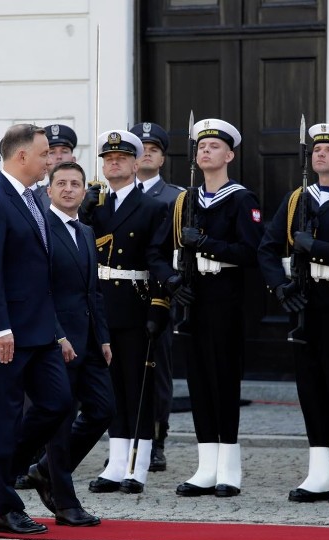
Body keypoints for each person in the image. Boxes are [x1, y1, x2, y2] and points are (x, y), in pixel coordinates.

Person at [258, 123, 329, 504]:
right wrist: (280, 286)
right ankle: (318, 470)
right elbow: (268, 248)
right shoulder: (296, 200)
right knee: (310, 387)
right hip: (304, 301)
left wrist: (316, 247)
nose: (320, 154)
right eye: (316, 150)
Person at [152, 118, 264, 497]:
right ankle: (206, 465)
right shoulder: (186, 200)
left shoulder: (241, 199)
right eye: (201, 146)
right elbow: (158, 251)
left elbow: (252, 253)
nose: (205, 151)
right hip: (193, 295)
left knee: (223, 380)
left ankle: (229, 467)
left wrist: (207, 243)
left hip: (226, 296)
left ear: (229, 154)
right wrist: (171, 280)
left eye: (214, 146)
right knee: (198, 380)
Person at [0, 123, 73, 535]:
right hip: (7, 331)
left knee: (58, 402)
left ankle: (3, 471)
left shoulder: (32, 198)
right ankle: (6, 509)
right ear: (21, 156)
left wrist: (57, 329)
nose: (53, 160)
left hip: (41, 329)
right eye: (46, 154)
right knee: (4, 417)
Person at [80, 129, 170, 495]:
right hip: (101, 305)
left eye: (121, 158)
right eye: (107, 159)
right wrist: (81, 217)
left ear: (136, 164)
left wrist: (159, 307)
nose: (113, 163)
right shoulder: (95, 207)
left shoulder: (154, 207)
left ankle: (138, 465)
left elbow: (158, 260)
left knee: (138, 388)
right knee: (110, 388)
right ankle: (116, 464)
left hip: (135, 302)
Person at [26, 161, 114, 527]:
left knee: (103, 410)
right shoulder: (42, 229)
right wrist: (57, 333)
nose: (68, 189)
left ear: (83, 191)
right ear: (49, 191)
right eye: (60, 183)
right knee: (59, 424)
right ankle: (65, 502)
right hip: (56, 340)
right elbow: (39, 290)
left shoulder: (87, 231)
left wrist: (104, 337)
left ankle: (45, 470)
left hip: (90, 341)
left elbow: (93, 292)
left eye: (75, 184)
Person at [130, 121, 184, 473]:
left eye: (154, 148)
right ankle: (127, 440)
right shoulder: (110, 195)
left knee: (157, 372)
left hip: (159, 294)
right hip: (122, 295)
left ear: (162, 157)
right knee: (123, 373)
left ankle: (156, 440)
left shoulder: (176, 198)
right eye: (141, 147)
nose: (147, 152)